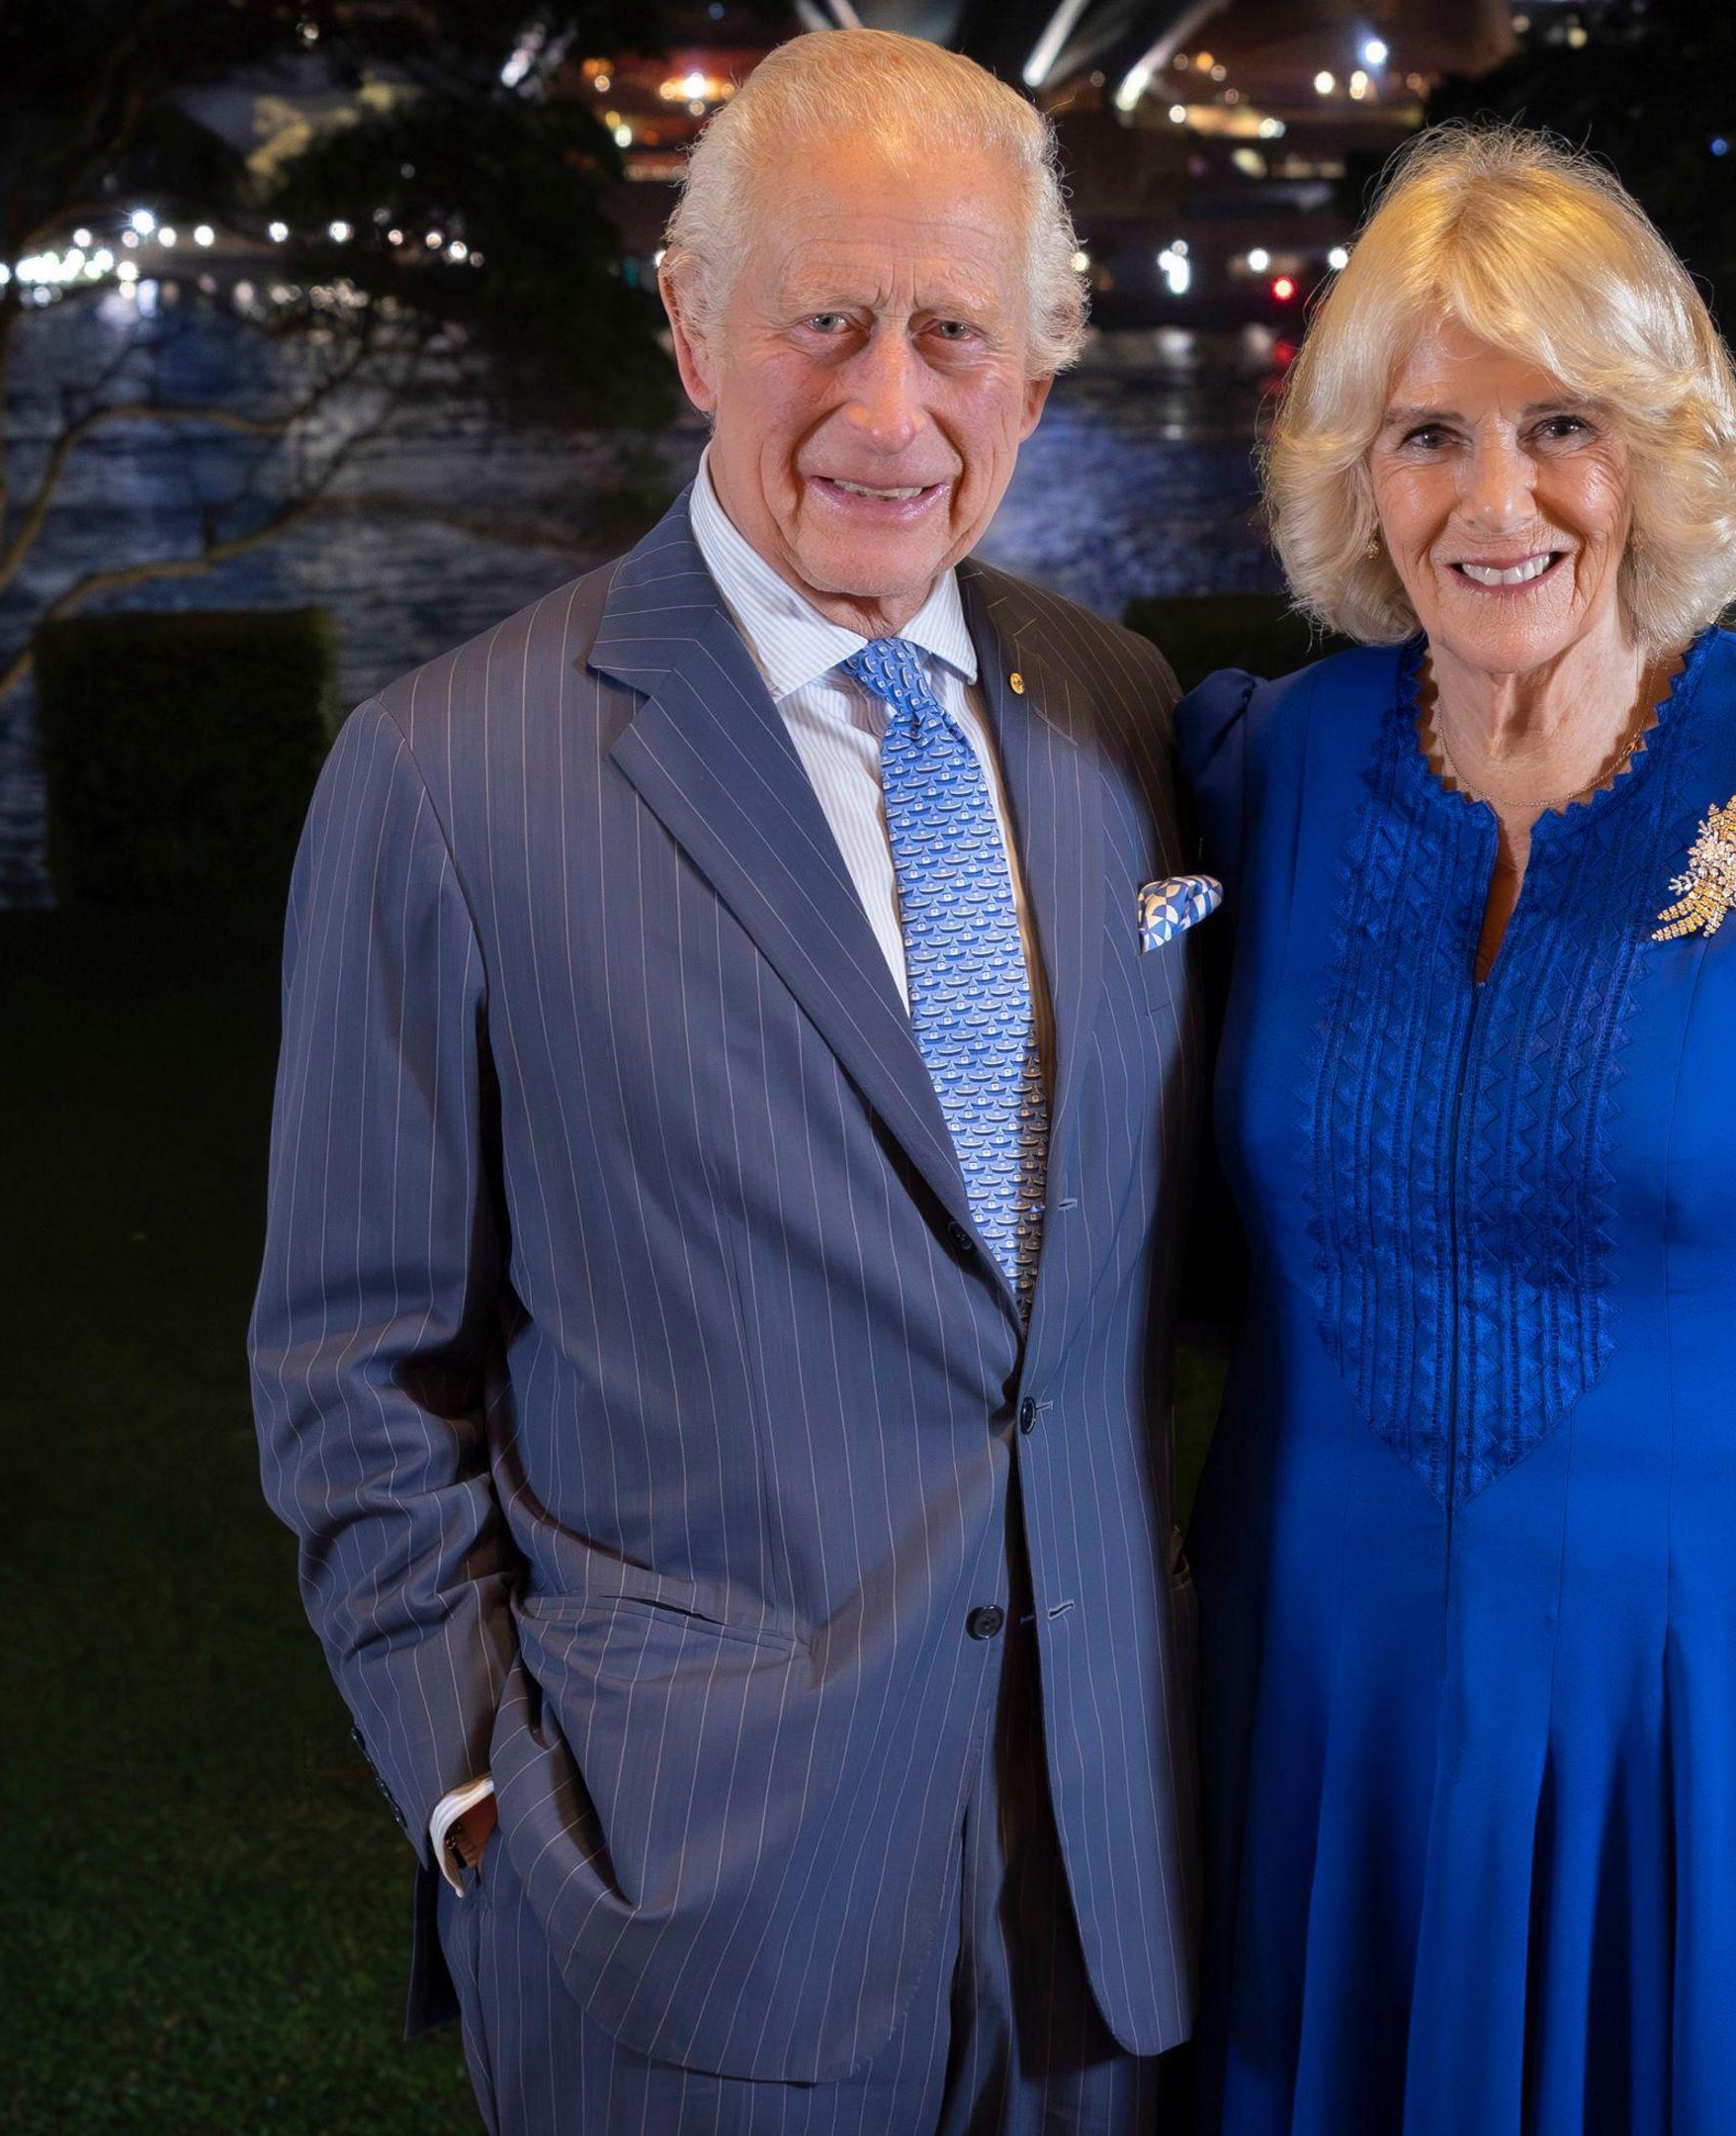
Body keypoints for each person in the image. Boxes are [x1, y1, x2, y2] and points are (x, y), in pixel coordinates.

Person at [246, 31, 1209, 2130]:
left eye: (953, 332)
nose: (890, 406)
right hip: (684, 1922)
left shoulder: (1118, 716)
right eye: (825, 323)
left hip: (1107, 1915)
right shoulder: (447, 779)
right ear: (693, 328)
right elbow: (350, 1368)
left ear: (1035, 378)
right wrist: (484, 1795)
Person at [1178, 126, 1736, 2133]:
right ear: (1356, 478)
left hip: (1703, 1719)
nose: (1495, 498)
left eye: (1560, 423)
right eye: (1426, 435)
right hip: (1324, 1706)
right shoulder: (1266, 772)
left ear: (1653, 446)